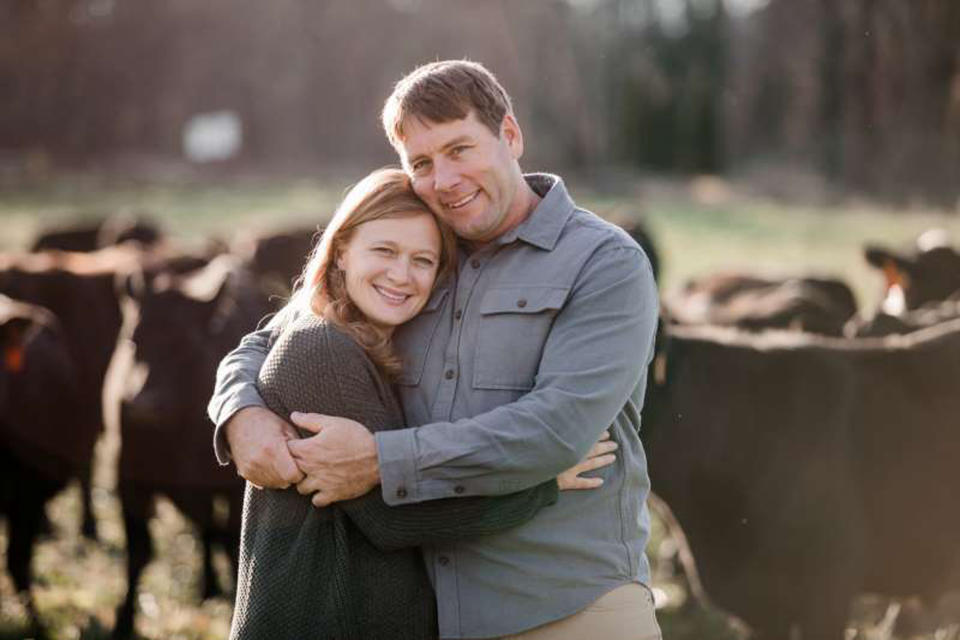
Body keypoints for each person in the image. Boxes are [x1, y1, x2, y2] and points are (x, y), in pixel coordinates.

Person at [209, 60, 661, 639]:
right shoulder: (420, 252)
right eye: (421, 163)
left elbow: (557, 430)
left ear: (512, 136)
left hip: (565, 606)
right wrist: (240, 412)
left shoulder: (604, 264)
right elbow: (283, 335)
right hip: (426, 612)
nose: (445, 179)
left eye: (460, 148)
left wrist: (379, 460)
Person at [228, 167, 615, 640]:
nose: (401, 275)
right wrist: (540, 481)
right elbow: (392, 515)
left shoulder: (370, 340)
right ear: (342, 252)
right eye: (384, 251)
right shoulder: (321, 349)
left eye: (423, 260)